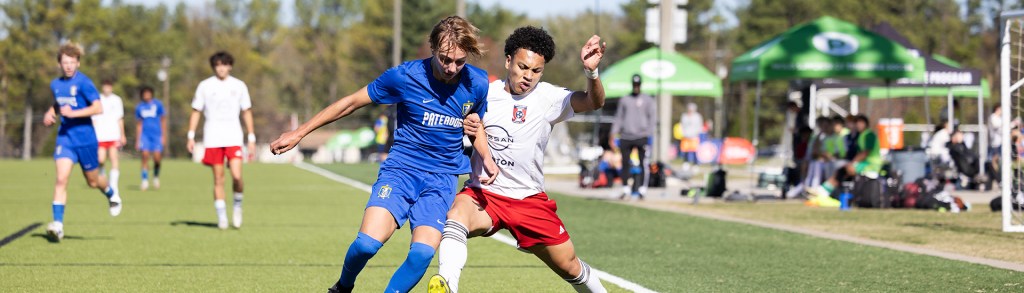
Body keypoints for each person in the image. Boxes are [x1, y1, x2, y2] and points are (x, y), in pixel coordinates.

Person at [268, 16, 497, 293]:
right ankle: (343, 286)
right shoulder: (404, 76)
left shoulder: (478, 83)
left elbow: (476, 125)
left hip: (442, 179)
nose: (452, 68)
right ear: (432, 49)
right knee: (367, 244)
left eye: (459, 61)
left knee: (422, 254)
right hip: (401, 171)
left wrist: (483, 151)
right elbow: (351, 102)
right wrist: (299, 133)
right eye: (445, 59)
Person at [429, 26, 608, 293]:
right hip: (485, 193)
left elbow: (593, 102)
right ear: (508, 60)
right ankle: (446, 285)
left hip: (529, 200)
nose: (528, 76)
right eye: (523, 67)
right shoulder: (485, 94)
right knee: (456, 216)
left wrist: (591, 72)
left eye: (536, 71)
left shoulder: (549, 98)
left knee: (570, 266)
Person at [43, 42, 122, 241]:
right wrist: (51, 112)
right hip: (65, 137)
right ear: (59, 64)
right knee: (61, 179)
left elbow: (98, 108)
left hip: (86, 139)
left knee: (93, 181)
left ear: (78, 63)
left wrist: (75, 113)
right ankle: (58, 225)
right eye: (65, 62)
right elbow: (59, 104)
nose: (68, 66)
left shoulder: (85, 83)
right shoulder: (56, 84)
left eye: (72, 62)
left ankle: (111, 193)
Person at [186, 51, 257, 230]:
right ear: (214, 67)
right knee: (218, 179)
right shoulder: (205, 86)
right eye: (218, 65)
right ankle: (222, 217)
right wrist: (191, 135)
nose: (221, 68)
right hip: (213, 137)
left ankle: (238, 205)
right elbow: (196, 111)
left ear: (230, 66)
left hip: (233, 136)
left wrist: (251, 137)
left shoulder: (239, 85)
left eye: (224, 64)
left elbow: (246, 111)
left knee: (237, 176)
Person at [808, 115, 883, 200]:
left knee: (845, 169)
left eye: (860, 123)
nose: (858, 125)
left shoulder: (869, 134)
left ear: (865, 124)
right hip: (864, 163)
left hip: (870, 165)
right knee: (842, 171)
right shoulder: (860, 135)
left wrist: (853, 162)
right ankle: (825, 191)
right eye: (857, 123)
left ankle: (826, 191)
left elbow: (865, 153)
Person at [609, 74, 655, 199]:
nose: (636, 87)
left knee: (643, 163)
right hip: (626, 136)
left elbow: (652, 119)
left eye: (638, 85)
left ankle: (642, 189)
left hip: (642, 135)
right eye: (634, 85)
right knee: (625, 163)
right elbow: (619, 118)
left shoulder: (647, 100)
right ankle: (625, 189)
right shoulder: (625, 100)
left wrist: (649, 134)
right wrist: (613, 134)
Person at [92, 79, 126, 189]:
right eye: (105, 86)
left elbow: (120, 118)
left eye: (109, 86)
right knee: (100, 159)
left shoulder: (117, 100)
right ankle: (102, 172)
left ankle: (113, 184)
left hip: (113, 134)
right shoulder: (97, 99)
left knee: (113, 158)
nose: (107, 88)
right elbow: (93, 118)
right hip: (100, 134)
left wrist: (122, 134)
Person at [135, 86, 166, 191]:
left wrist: (163, 136)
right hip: (145, 136)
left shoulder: (158, 105)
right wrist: (138, 139)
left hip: (156, 135)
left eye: (148, 93)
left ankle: (156, 177)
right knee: (144, 156)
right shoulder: (140, 107)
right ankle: (144, 180)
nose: (146, 95)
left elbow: (163, 120)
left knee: (157, 158)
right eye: (144, 93)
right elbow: (139, 124)